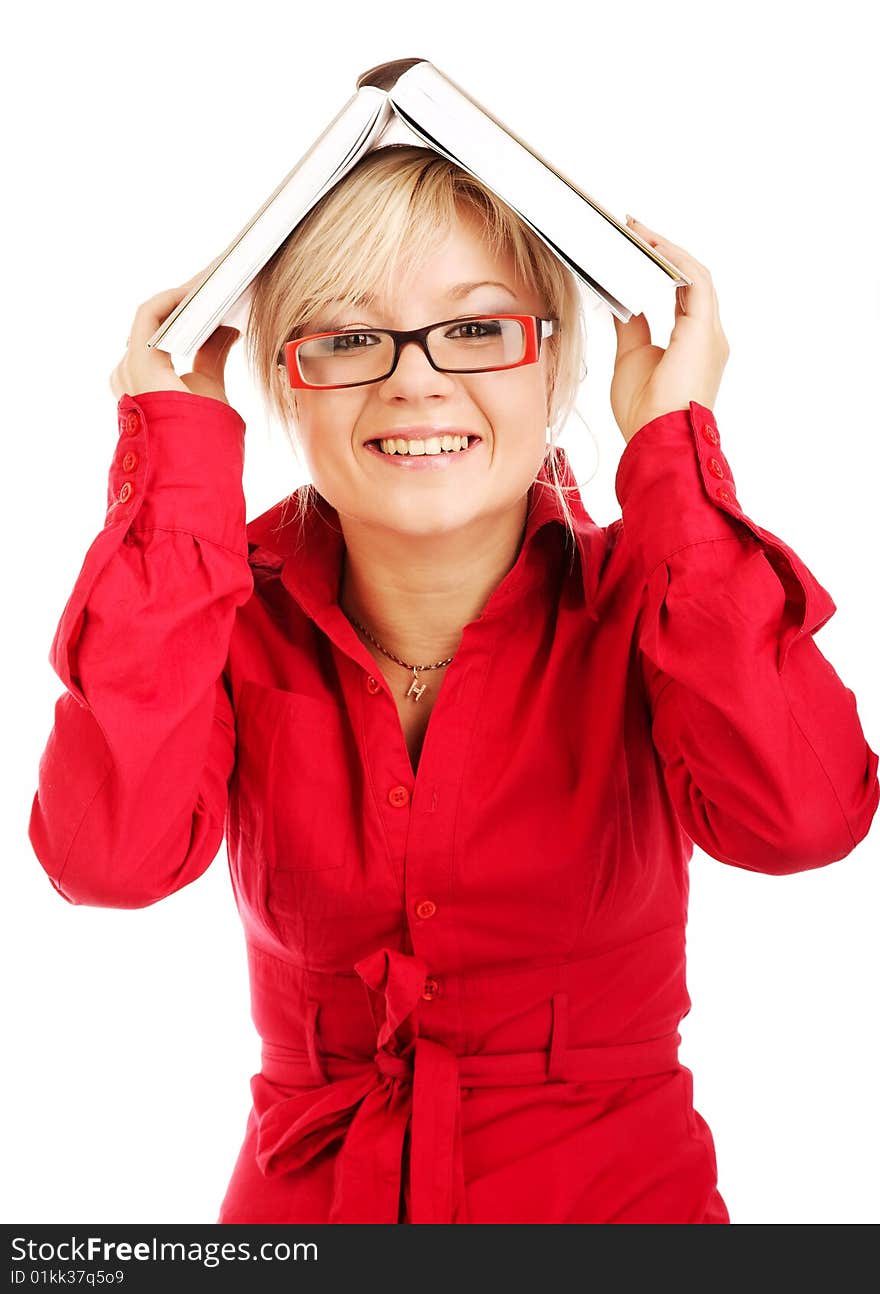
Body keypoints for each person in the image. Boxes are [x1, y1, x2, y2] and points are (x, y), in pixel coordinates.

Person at [28, 145, 879, 1224]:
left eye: (476, 329)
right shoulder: (219, 612)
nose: (415, 377)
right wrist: (180, 457)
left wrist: (671, 447)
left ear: (551, 361)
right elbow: (106, 861)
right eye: (347, 336)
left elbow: (801, 823)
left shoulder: (654, 600)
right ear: (286, 376)